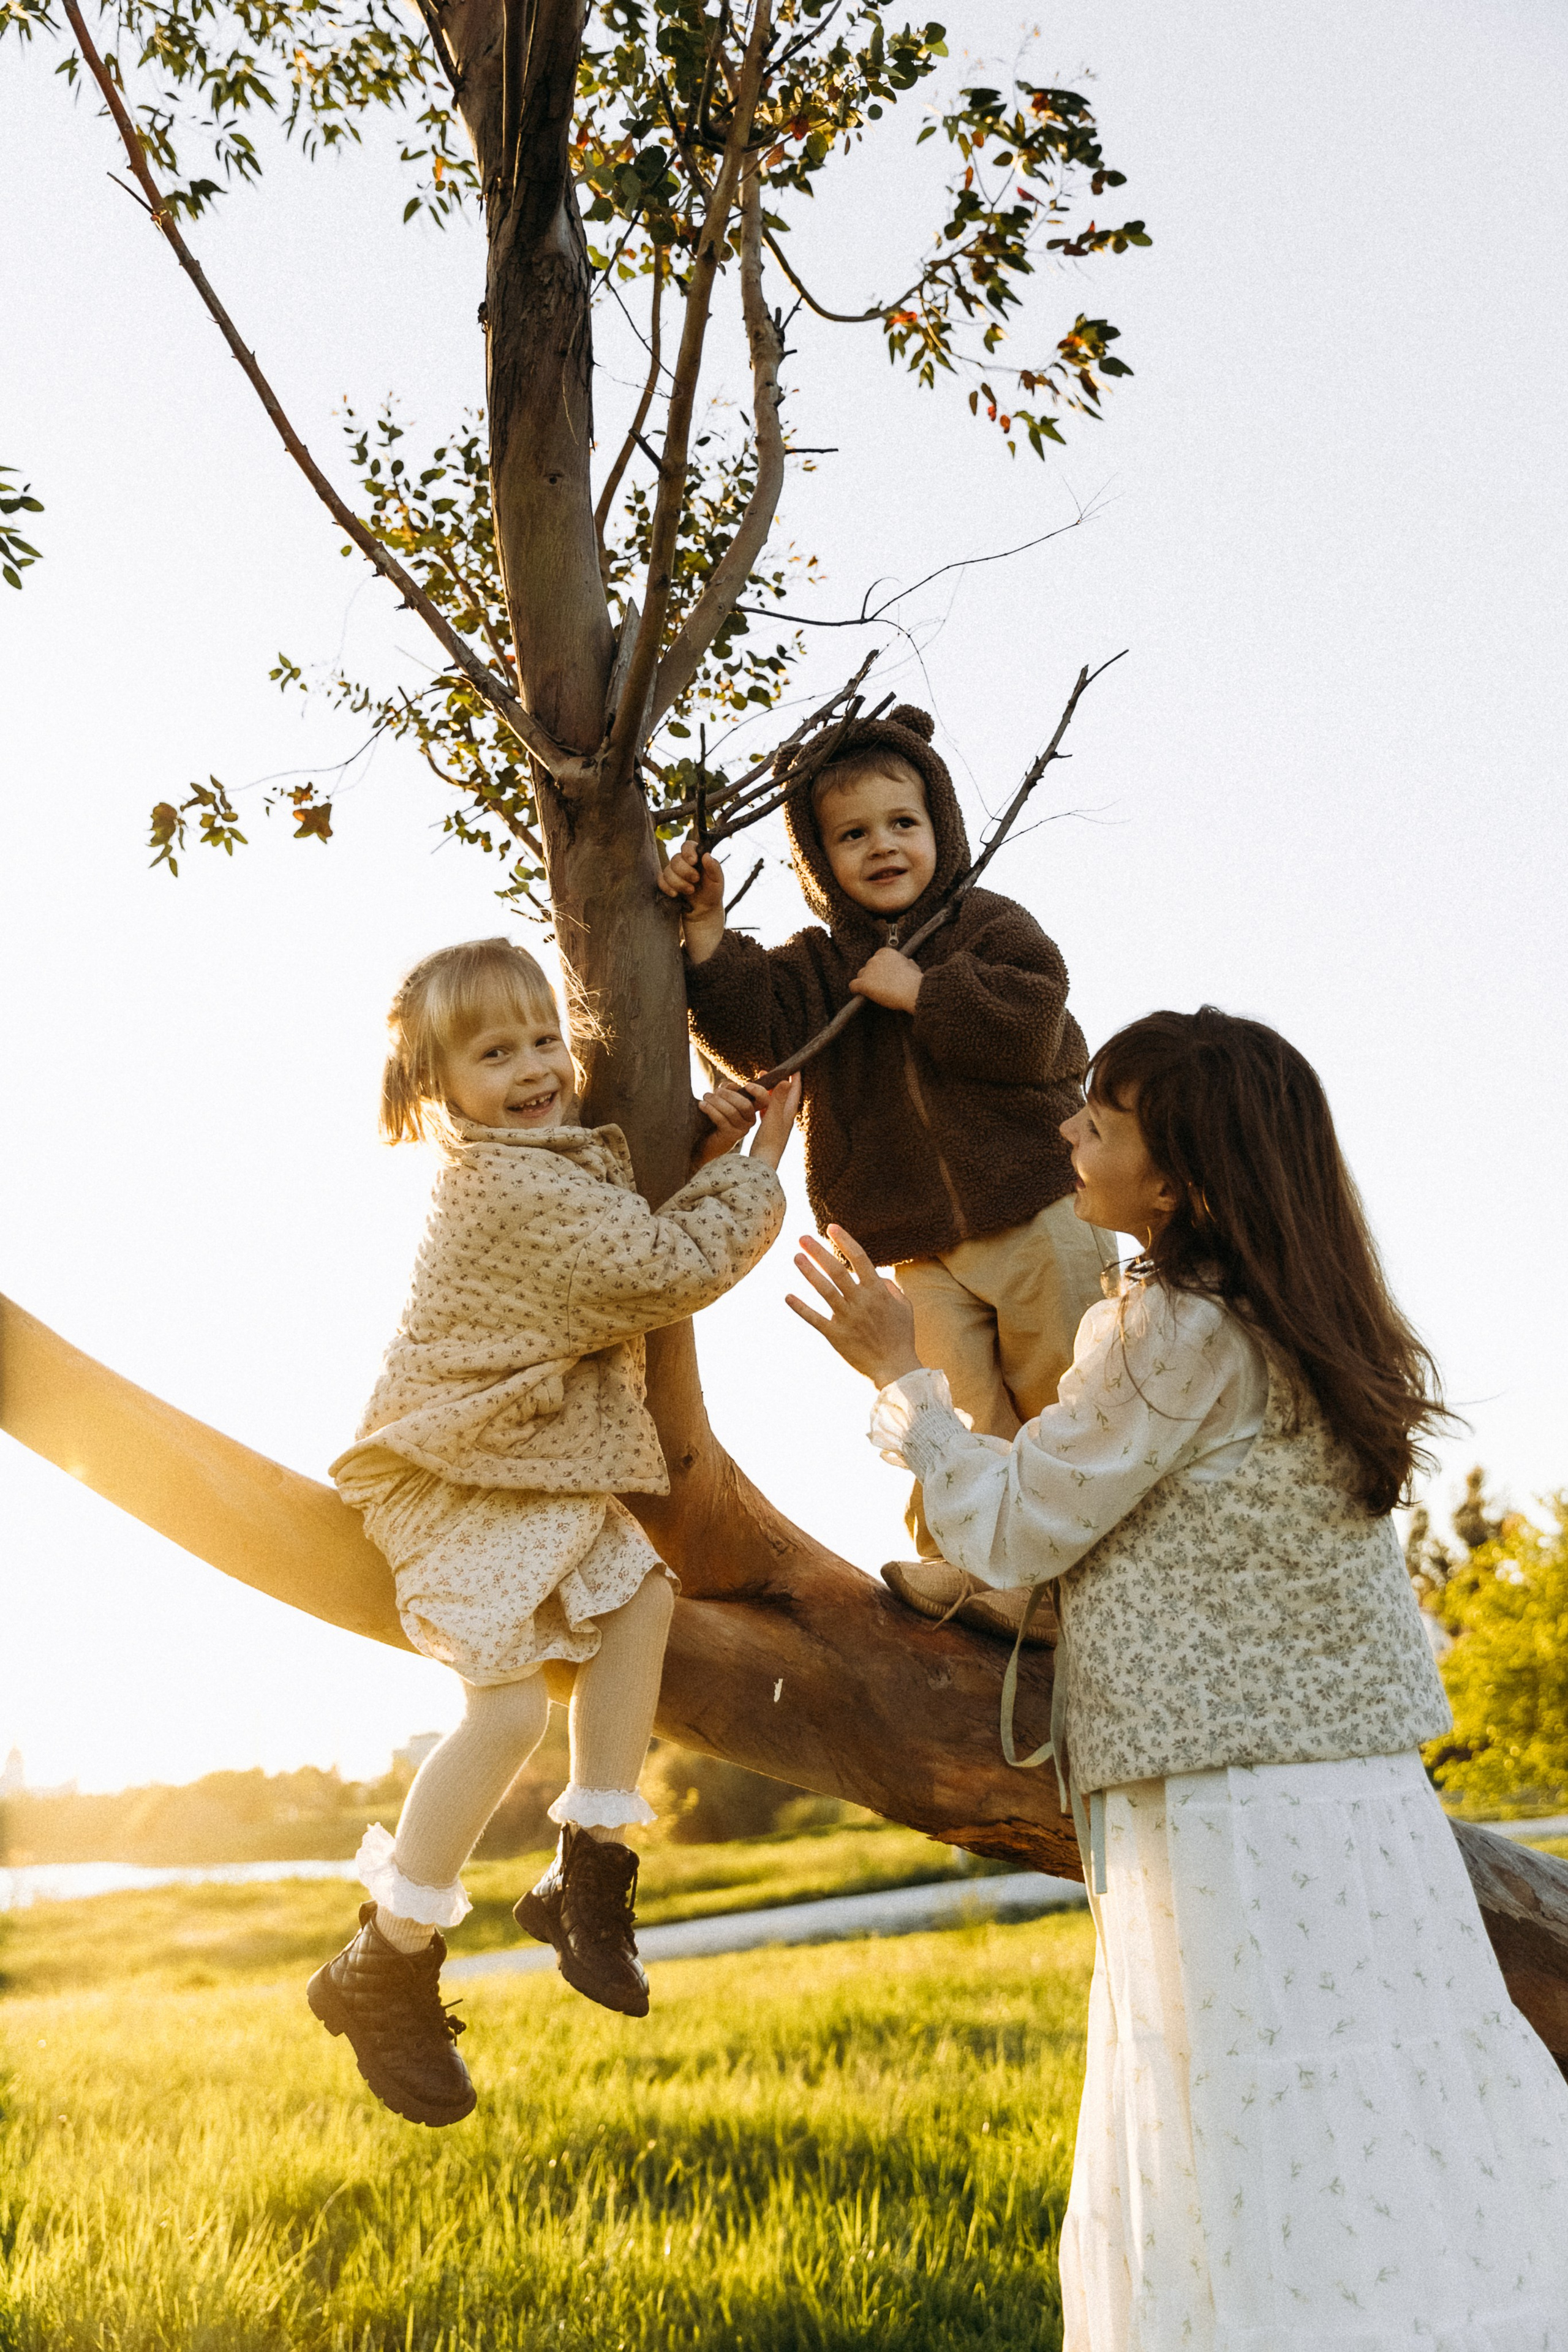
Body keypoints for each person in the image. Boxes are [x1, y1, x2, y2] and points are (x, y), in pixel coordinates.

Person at [787, 1005, 1568, 2345]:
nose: (1067, 1128)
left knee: (1242, 2122)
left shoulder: (1167, 1328)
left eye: (1101, 1115)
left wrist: (900, 1378)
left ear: (1181, 1174)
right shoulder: (1307, 1317)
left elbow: (1017, 1520)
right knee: (1394, 2113)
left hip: (1224, 1811)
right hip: (1359, 1806)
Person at [311, 937, 798, 2128]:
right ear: (437, 1087)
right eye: (494, 1052)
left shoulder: (540, 1157)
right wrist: (766, 1154)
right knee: (509, 1708)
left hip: (531, 1466)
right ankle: (386, 1955)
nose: (533, 1068)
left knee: (640, 1598)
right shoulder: (507, 1186)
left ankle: (587, 1876)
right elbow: (668, 1263)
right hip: (456, 1470)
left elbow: (620, 1208)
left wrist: (697, 1136)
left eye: (543, 1039)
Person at [658, 702, 1115, 1638]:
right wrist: (704, 933)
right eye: (851, 835)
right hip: (915, 1242)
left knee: (1075, 1392)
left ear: (940, 826)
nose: (882, 847)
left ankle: (1103, 1569)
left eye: (903, 824)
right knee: (953, 1405)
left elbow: (1041, 1031)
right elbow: (755, 1022)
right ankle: (980, 1572)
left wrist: (928, 993)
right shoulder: (821, 968)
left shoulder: (989, 925)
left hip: (1038, 1208)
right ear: (817, 859)